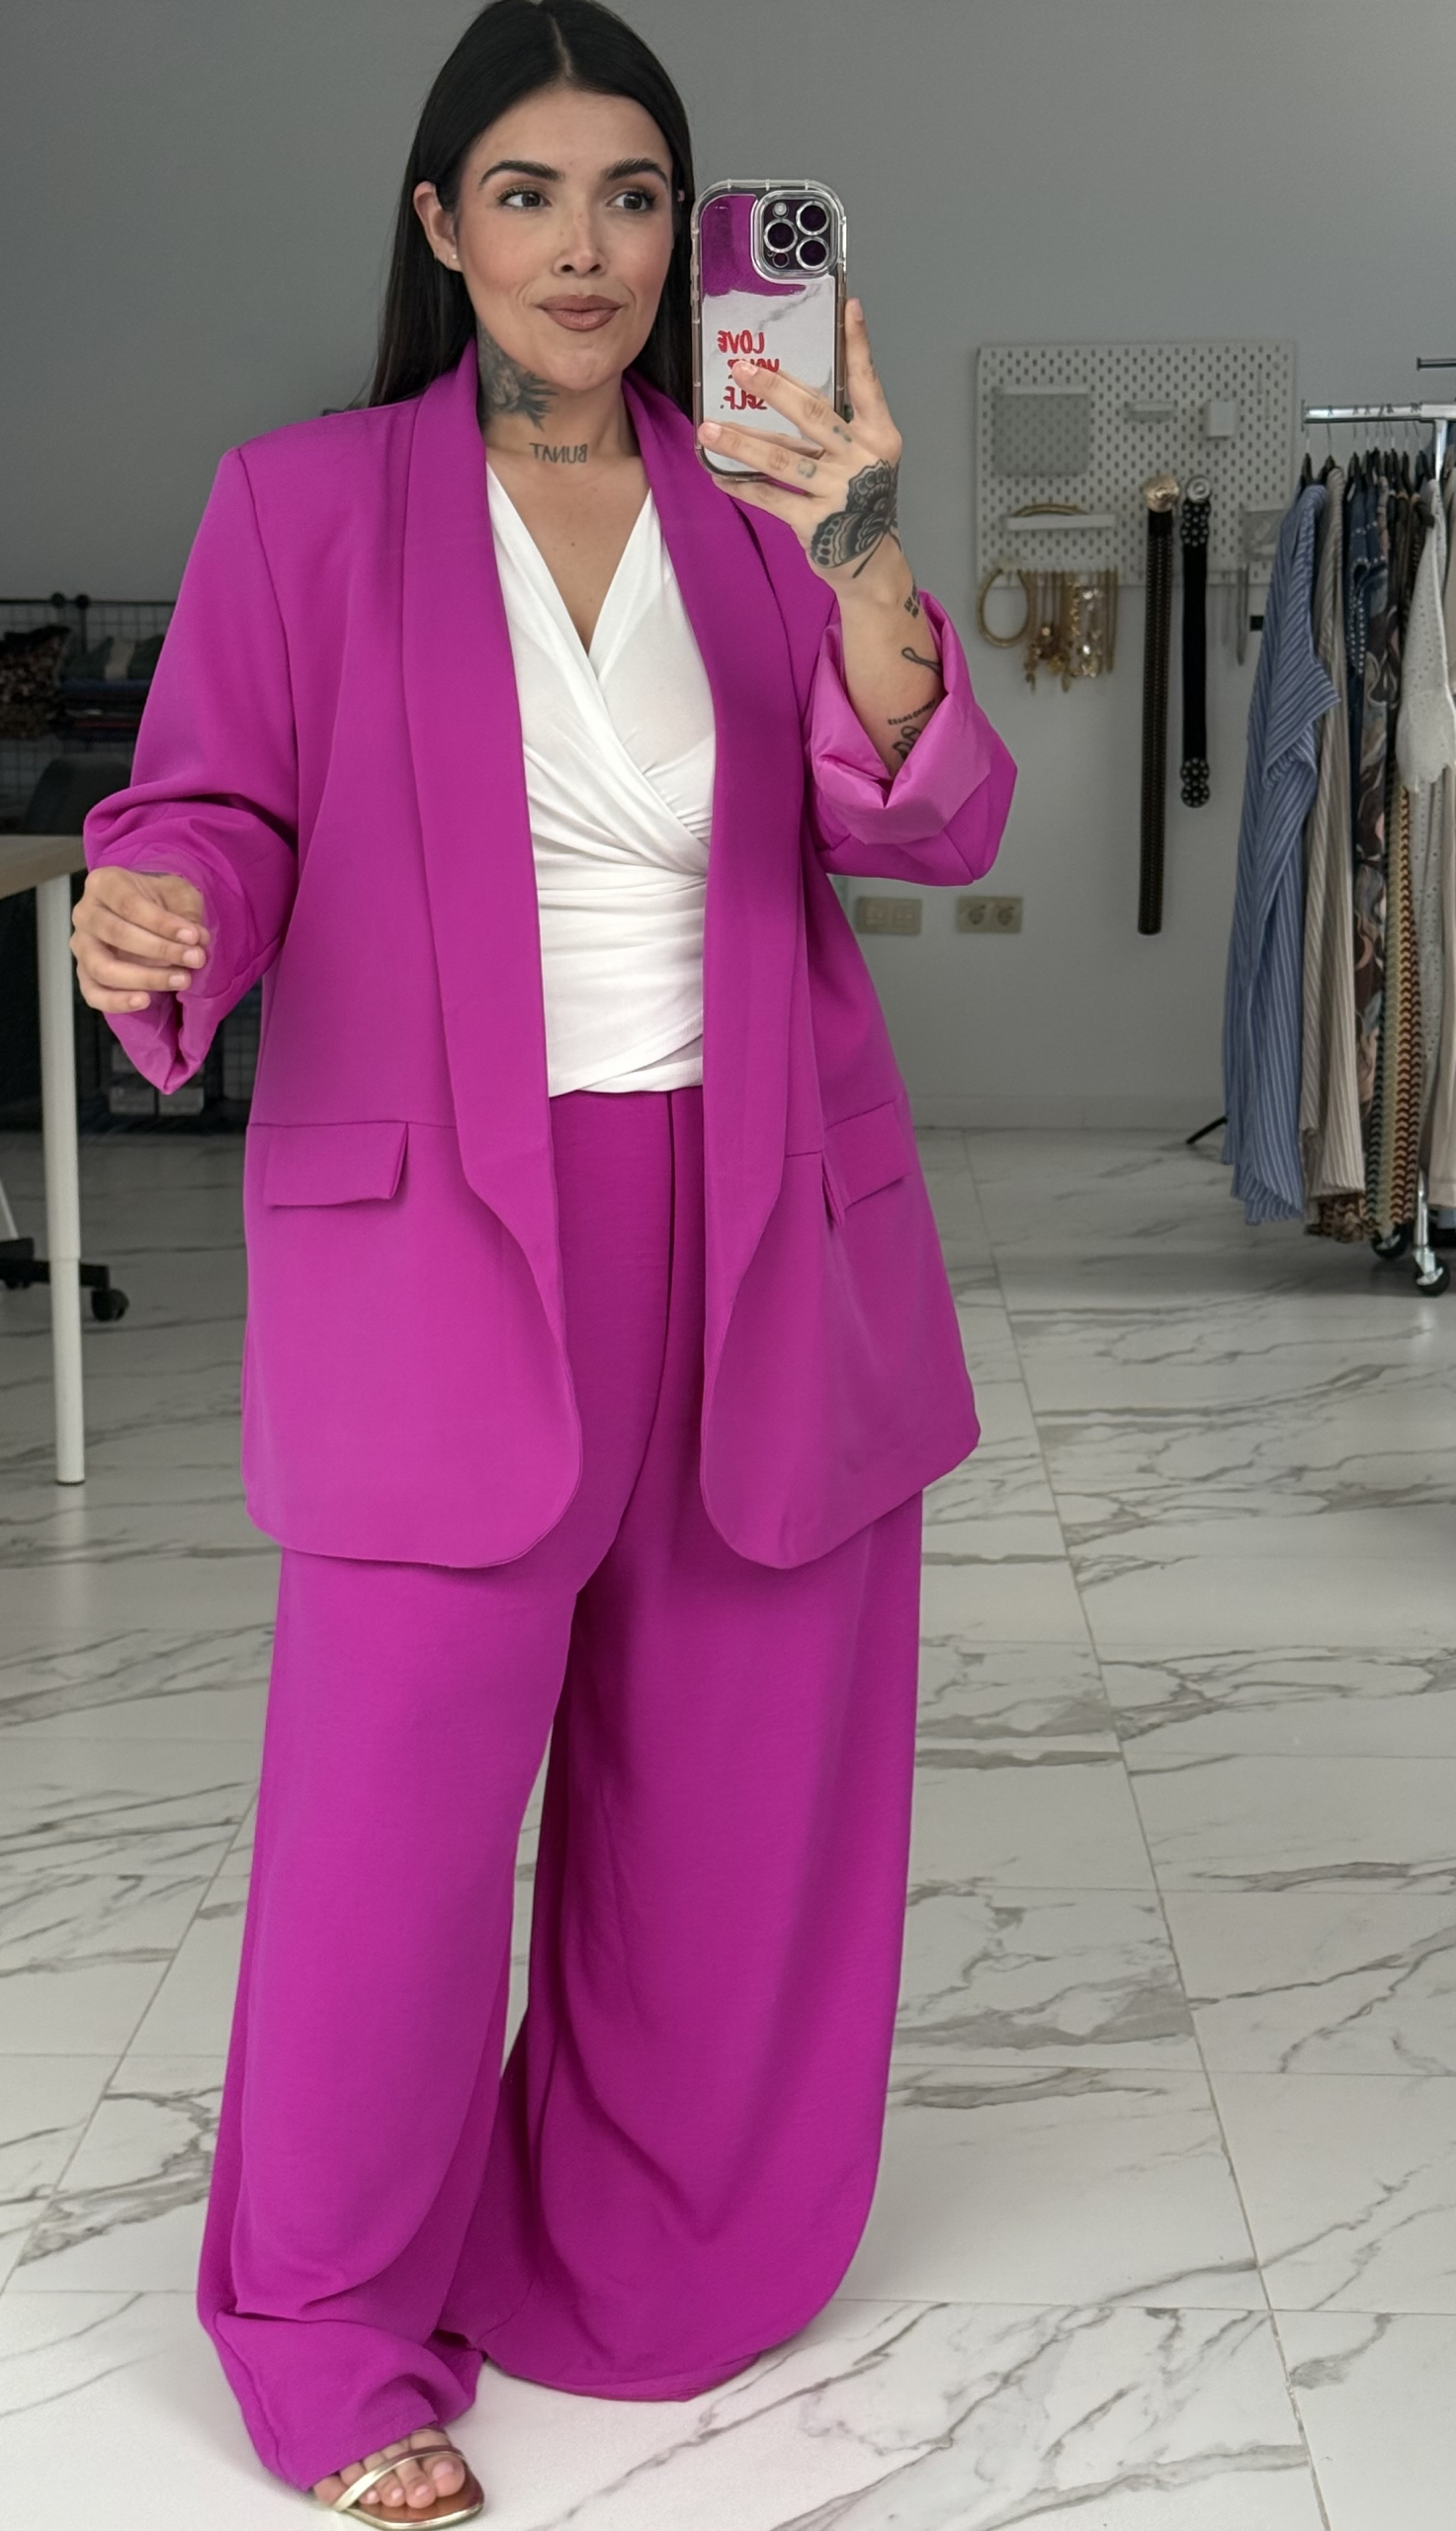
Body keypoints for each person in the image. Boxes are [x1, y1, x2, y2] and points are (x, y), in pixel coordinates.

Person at [71, 0, 1015, 2515]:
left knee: (726, 1803)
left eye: (630, 195)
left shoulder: (763, 503)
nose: (582, 246)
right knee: (384, 1842)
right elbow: (216, 798)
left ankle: (637, 2257)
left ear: (686, 236)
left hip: (762, 1231)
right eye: (525, 191)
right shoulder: (301, 502)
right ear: (438, 224)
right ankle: (325, 2325)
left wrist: (865, 548)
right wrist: (166, 906)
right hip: (440, 1248)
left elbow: (922, 813)